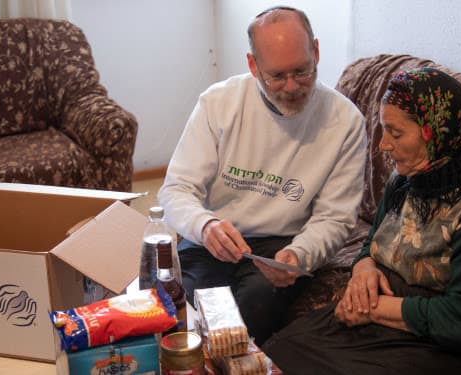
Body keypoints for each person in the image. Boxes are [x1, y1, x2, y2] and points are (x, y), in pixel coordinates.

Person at [263, 67, 461, 374]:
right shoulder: (406, 180)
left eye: (396, 133)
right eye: (384, 130)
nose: (384, 145)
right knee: (277, 352)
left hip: (451, 344)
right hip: (390, 315)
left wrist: (373, 308)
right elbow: (371, 244)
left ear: (435, 132)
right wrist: (363, 270)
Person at [157, 6, 367, 345]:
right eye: (277, 76)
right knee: (182, 315)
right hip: (213, 235)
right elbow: (175, 191)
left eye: (302, 71)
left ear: (315, 51)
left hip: (282, 242)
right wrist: (204, 225)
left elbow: (336, 218)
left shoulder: (346, 122)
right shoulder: (219, 103)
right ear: (253, 65)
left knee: (252, 312)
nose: (292, 87)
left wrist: (300, 255)